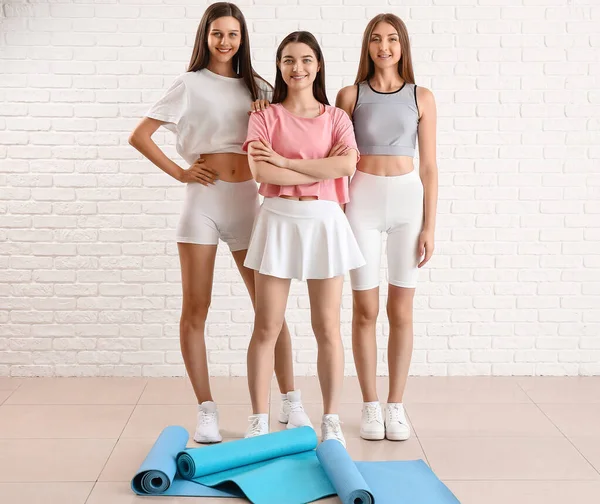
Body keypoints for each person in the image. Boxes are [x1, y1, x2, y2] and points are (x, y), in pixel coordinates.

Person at [128, 2, 310, 444]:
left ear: (242, 38)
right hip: (203, 203)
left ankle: (291, 400)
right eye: (217, 34)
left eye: (233, 34)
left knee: (269, 311)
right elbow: (140, 136)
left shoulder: (260, 87)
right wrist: (180, 171)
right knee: (196, 308)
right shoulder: (189, 84)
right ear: (205, 37)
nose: (225, 42)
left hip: (249, 203)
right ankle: (206, 409)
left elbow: (296, 128)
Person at [242, 31, 364, 447]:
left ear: (318, 65)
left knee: (327, 326)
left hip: (326, 222)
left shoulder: (336, 118)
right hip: (278, 220)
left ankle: (330, 418)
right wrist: (315, 167)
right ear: (279, 66)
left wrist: (286, 160)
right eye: (289, 60)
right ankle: (258, 418)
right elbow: (263, 174)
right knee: (266, 326)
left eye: (306, 59)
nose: (298, 68)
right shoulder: (263, 115)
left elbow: (346, 166)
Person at [336, 13, 438, 441]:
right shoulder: (349, 95)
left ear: (403, 46)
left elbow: (430, 167)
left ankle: (396, 405)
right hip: (361, 202)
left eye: (392, 39)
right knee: (365, 309)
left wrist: (430, 225)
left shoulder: (422, 96)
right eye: (376, 39)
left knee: (401, 309)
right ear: (367, 46)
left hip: (407, 203)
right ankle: (370, 405)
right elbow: (337, 159)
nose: (384, 47)